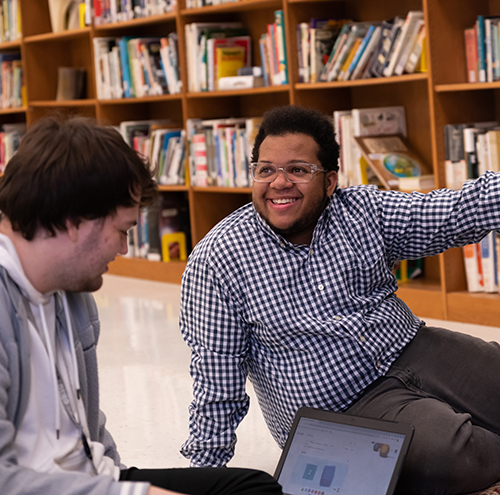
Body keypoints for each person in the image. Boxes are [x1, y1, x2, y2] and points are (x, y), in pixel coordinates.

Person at [180, 104, 500, 494]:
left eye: (298, 170)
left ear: (329, 182)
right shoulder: (218, 258)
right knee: (457, 458)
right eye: (265, 170)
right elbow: (216, 379)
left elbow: (453, 213)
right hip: (338, 409)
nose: (279, 182)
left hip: (412, 347)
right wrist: (201, 475)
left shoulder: (363, 210)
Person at [0, 115, 283, 495]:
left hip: (91, 478)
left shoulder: (72, 292)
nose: (123, 248)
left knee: (252, 487)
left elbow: (84, 426)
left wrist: (118, 478)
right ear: (73, 221)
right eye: (121, 230)